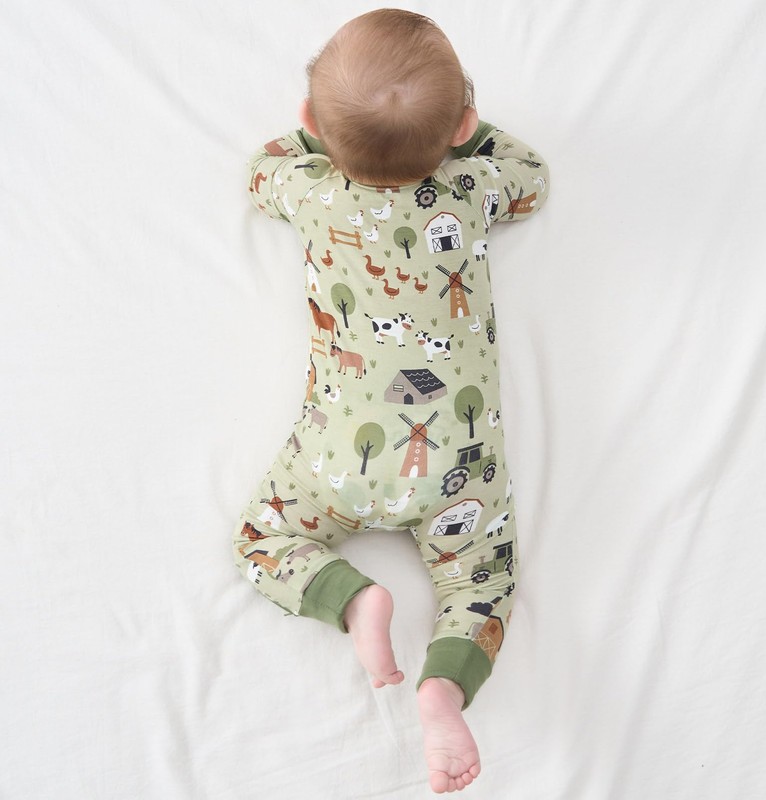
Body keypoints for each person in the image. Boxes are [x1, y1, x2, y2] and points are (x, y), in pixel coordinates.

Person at [233, 8, 549, 793]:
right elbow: (532, 174)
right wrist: (466, 135)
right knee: (483, 583)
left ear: (312, 120)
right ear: (462, 126)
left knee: (261, 541)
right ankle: (442, 688)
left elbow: (262, 167)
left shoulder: (310, 189)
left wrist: (323, 136)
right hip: (456, 464)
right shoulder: (472, 186)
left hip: (338, 455)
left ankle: (354, 602)